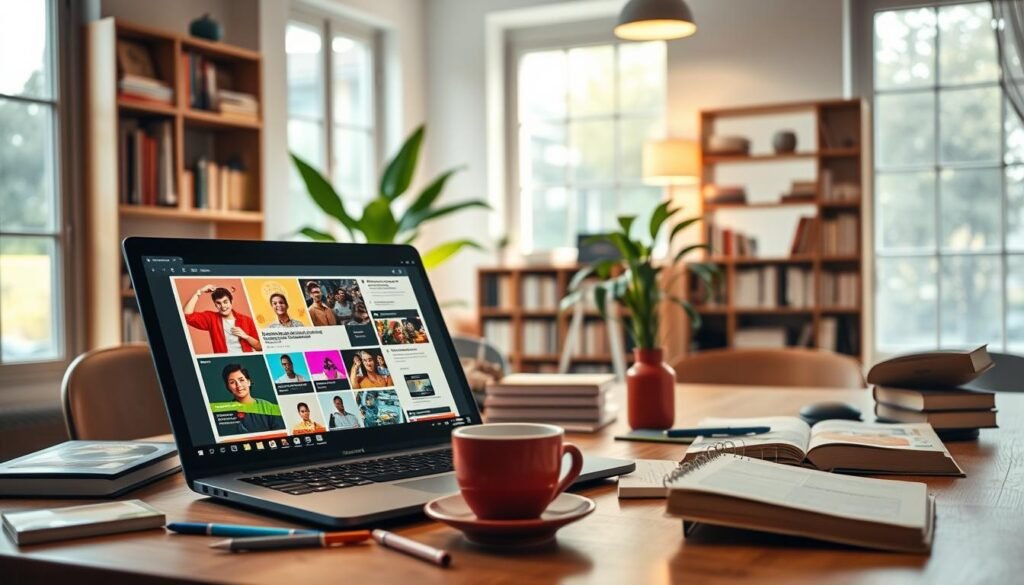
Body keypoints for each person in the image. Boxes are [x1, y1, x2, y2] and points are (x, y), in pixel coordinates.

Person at [183, 284, 261, 354]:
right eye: (218, 303)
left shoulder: (247, 320)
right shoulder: (211, 318)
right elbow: (187, 316)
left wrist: (246, 336)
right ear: (215, 304)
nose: (223, 306)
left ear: (231, 301)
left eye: (225, 302)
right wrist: (200, 291)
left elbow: (259, 347)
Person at [214, 363, 284, 433]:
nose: (238, 385)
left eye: (241, 380)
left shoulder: (269, 407)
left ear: (248, 382)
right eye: (232, 382)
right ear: (228, 387)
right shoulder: (225, 414)